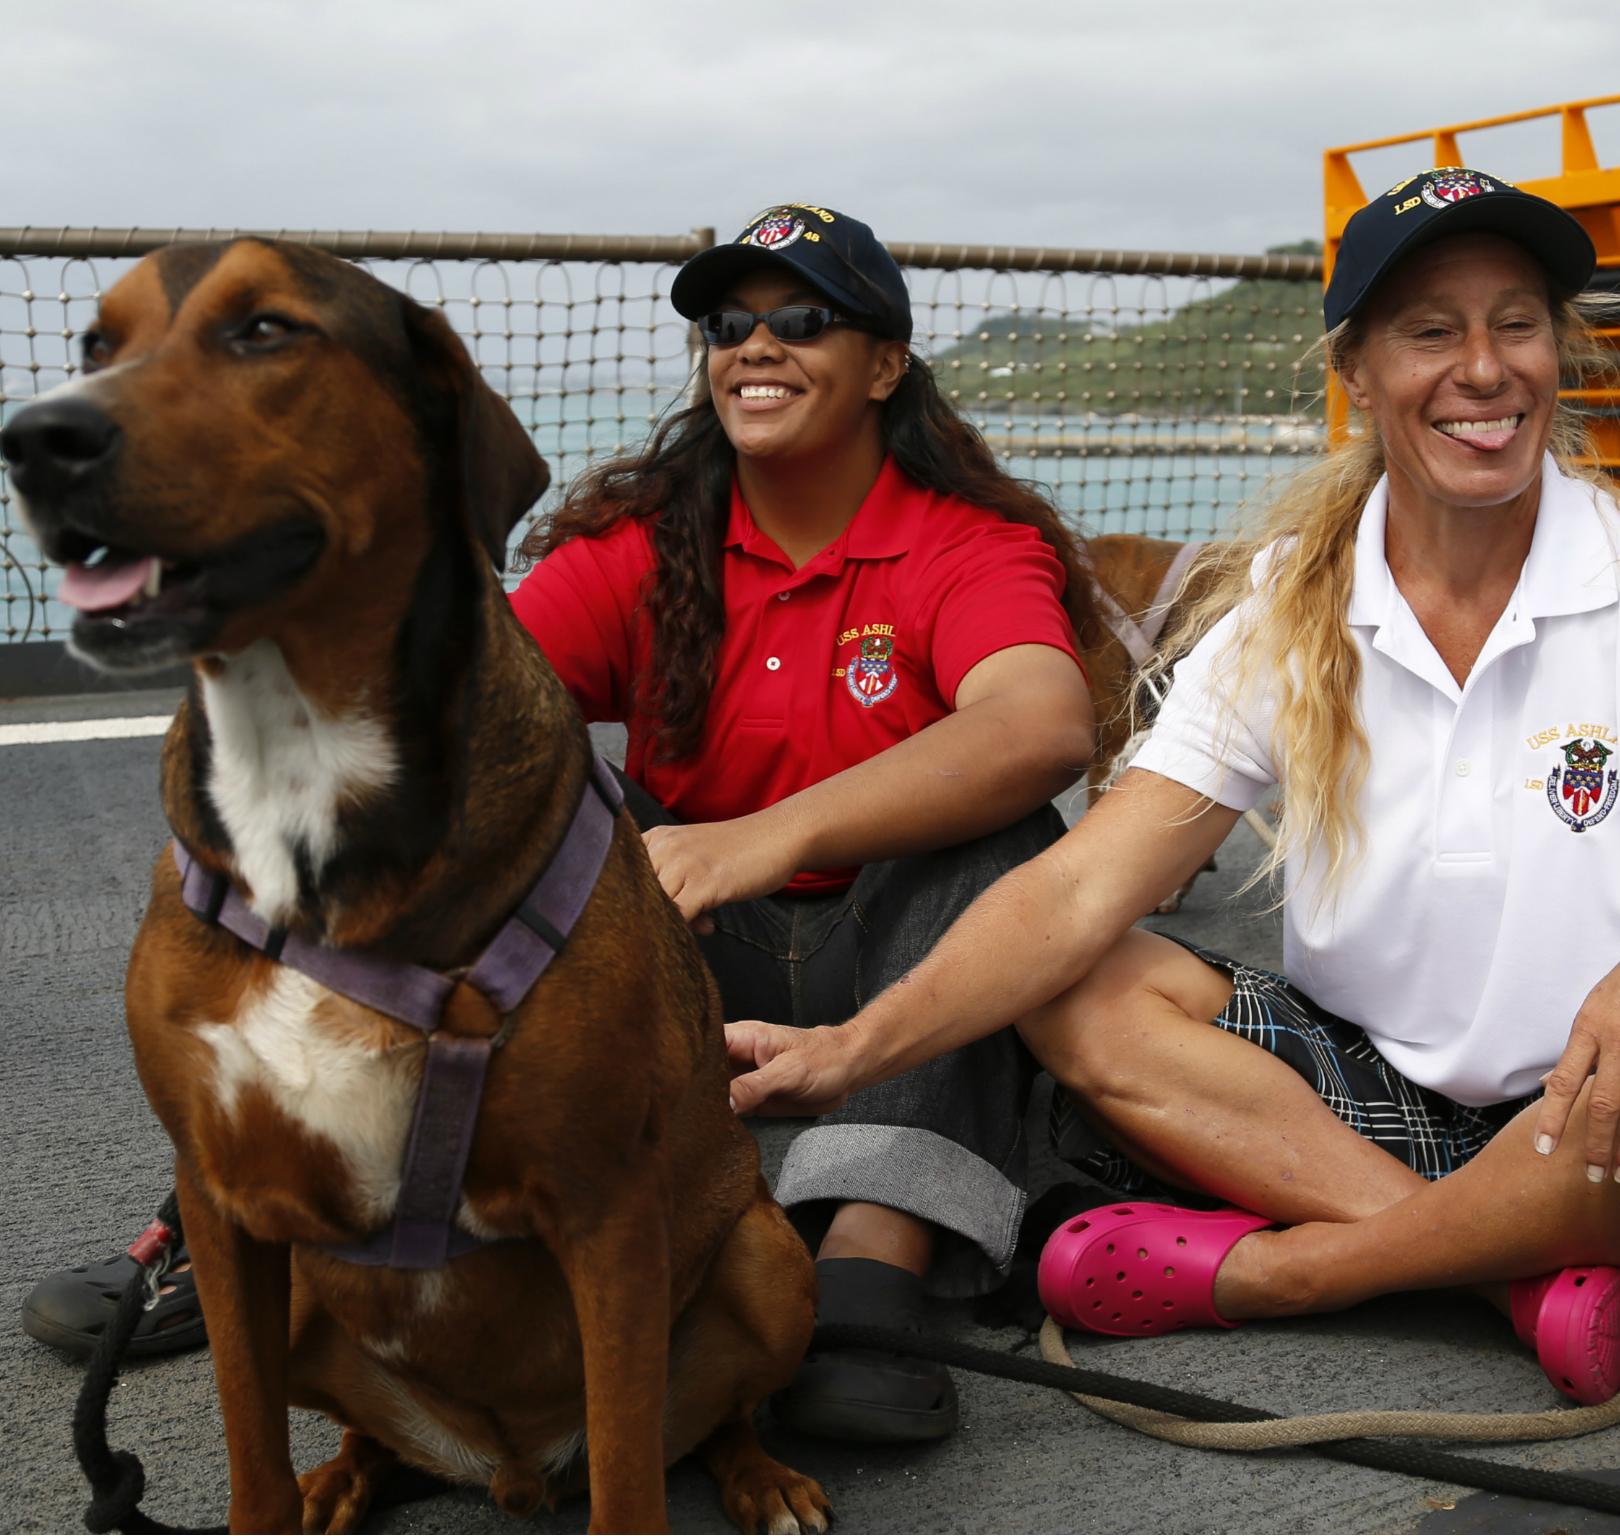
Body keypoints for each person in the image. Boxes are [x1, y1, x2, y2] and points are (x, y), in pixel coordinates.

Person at [718, 169, 1620, 1406]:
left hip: (1611, 1109)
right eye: (1430, 331)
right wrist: (853, 1049)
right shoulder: (1292, 599)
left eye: (1516, 324)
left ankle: (1299, 1275)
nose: (1482, 369)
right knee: (1077, 983)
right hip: (1365, 1098)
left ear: (1558, 351)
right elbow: (1078, 888)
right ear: (1358, 371)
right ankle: (1501, 1274)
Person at [23, 205, 1102, 1445]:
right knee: (514, 829)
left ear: (886, 363)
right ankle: (225, 1202)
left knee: (997, 855)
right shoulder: (645, 544)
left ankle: (871, 1261)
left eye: (802, 319)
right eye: (726, 324)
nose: (755, 344)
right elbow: (470, 699)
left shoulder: (965, 541)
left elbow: (1039, 727)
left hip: (892, 962)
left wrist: (769, 834)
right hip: (684, 951)